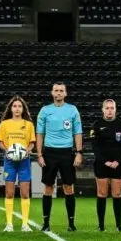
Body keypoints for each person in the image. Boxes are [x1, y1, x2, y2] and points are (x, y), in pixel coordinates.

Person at [35, 82, 83, 232]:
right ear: (52, 93)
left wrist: (79, 152)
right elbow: (40, 134)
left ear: (66, 93)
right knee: (48, 188)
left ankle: (71, 224)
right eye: (56, 90)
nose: (59, 93)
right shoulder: (45, 111)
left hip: (67, 153)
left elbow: (77, 133)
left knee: (69, 188)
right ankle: (46, 224)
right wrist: (40, 154)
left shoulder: (72, 110)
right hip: (49, 153)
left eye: (61, 90)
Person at [0, 96, 36, 232]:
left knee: (24, 193)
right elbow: (0, 143)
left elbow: (32, 143)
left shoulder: (28, 125)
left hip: (24, 162)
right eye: (14, 106)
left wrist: (26, 151)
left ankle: (25, 224)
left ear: (23, 109)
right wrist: (7, 151)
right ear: (10, 108)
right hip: (9, 161)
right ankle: (9, 225)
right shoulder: (4, 124)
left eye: (19, 106)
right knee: (9, 193)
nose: (17, 109)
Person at [88, 98, 121, 232]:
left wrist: (117, 160)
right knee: (102, 193)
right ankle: (101, 226)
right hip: (102, 164)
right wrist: (104, 161)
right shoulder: (96, 125)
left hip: (119, 164)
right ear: (103, 110)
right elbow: (94, 147)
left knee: (117, 194)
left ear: (115, 109)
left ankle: (119, 226)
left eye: (112, 108)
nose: (110, 110)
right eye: (107, 108)